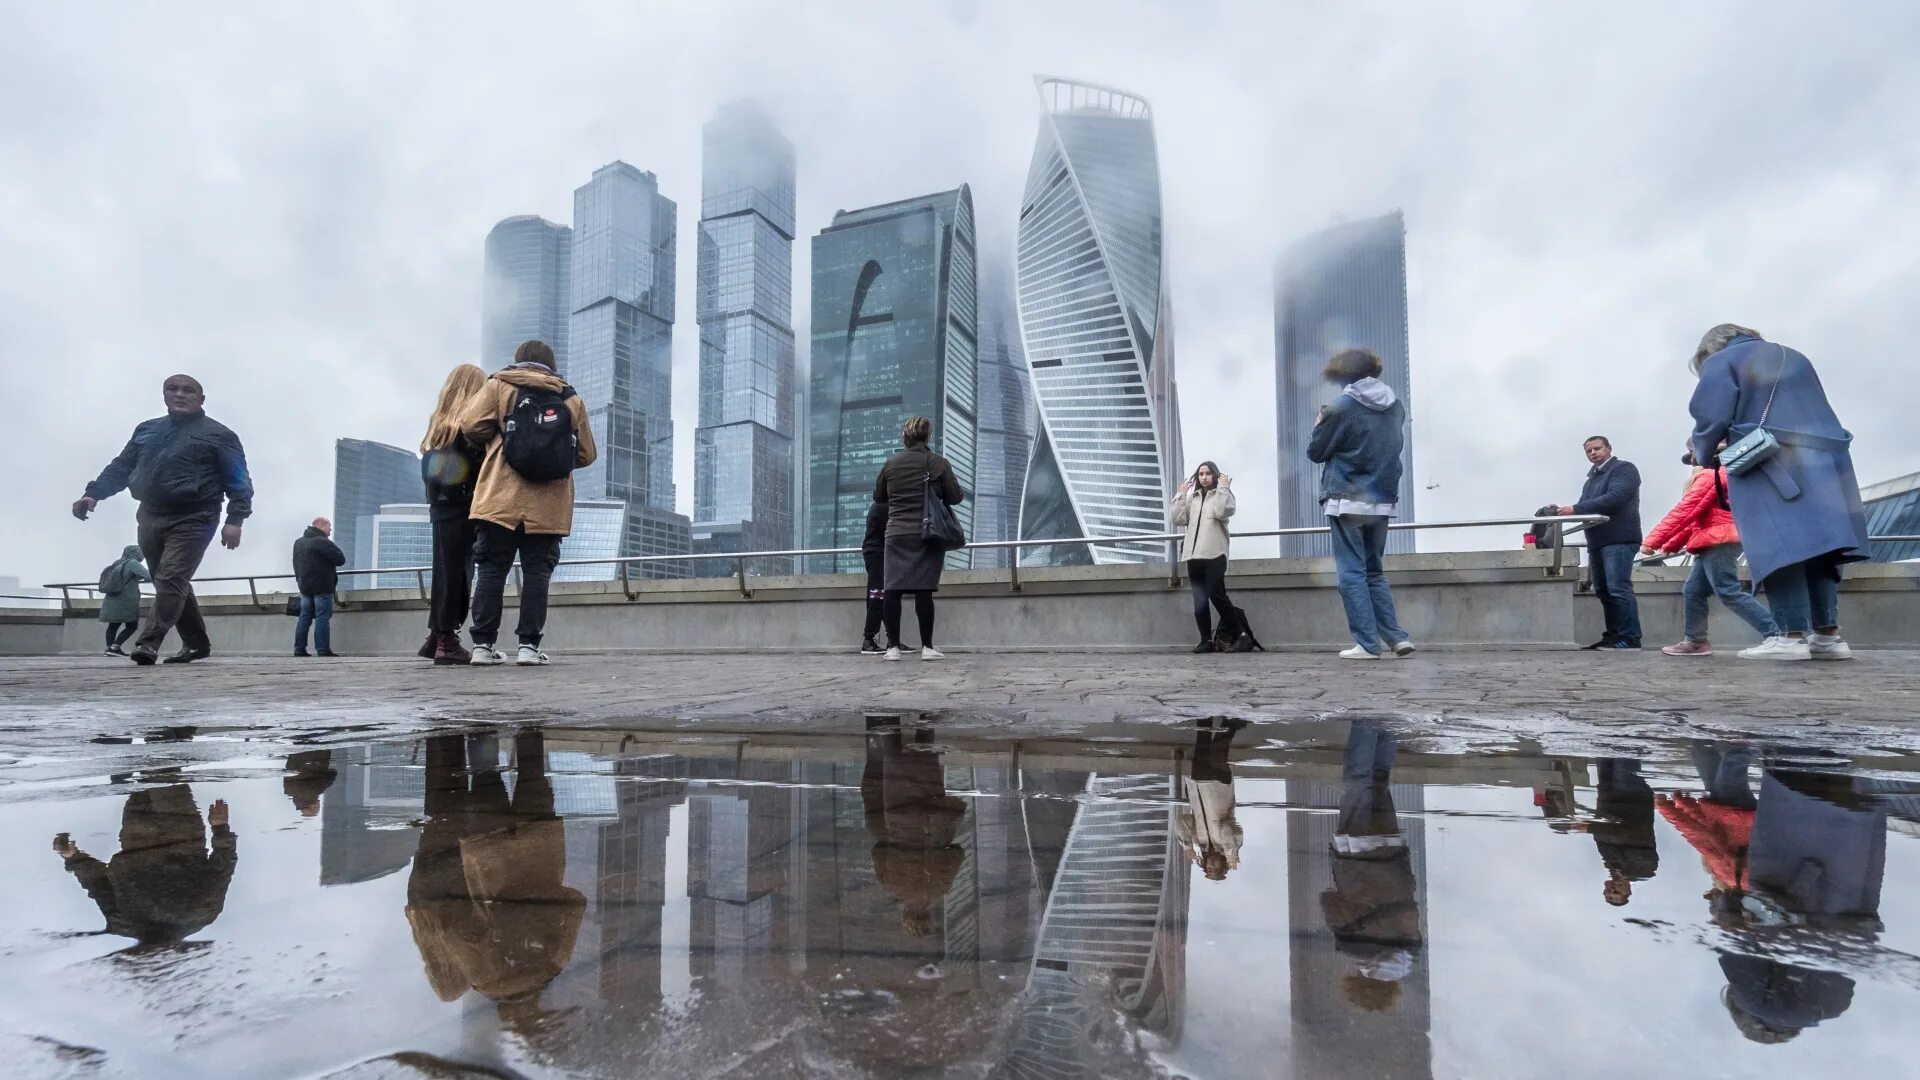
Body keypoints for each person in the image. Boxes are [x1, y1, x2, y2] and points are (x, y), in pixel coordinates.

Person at [1687, 324, 1871, 661]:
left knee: (1779, 545)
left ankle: (1790, 637)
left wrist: (1701, 451)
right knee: (1822, 547)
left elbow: (1710, 416)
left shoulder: (1722, 360)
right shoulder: (1795, 356)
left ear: (1710, 349)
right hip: (1826, 462)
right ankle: (1827, 636)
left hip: (1772, 461)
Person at [73, 374, 252, 665]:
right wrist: (93, 494)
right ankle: (196, 643)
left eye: (188, 390)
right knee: (168, 580)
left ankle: (147, 643)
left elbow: (239, 480)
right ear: (165, 395)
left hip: (196, 515)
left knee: (171, 577)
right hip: (151, 513)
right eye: (173, 389)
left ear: (201, 399)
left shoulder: (220, 435)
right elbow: (122, 466)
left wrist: (236, 519)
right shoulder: (147, 430)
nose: (180, 394)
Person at [456, 341, 597, 667]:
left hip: (499, 498)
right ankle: (528, 648)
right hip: (548, 505)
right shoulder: (570, 398)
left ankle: (482, 646)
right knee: (537, 576)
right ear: (552, 364)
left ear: (518, 360)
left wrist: (499, 435)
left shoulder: (499, 385)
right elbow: (587, 453)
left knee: (491, 571)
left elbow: (469, 424)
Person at [1307, 349, 1415, 659]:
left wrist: (1320, 422)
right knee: (1374, 571)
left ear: (1341, 375)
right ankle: (1397, 638)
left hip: (1346, 497)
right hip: (1381, 498)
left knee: (1351, 572)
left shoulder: (1341, 406)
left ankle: (1367, 644)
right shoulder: (1395, 406)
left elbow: (1316, 451)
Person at [52, 786, 237, 948]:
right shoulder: (200, 916)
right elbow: (222, 867)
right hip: (180, 831)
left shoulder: (125, 924)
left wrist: (74, 858)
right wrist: (220, 828)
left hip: (137, 834)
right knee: (162, 771)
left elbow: (100, 887)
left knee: (143, 771)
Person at [1642, 446, 1779, 655]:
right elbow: (1697, 519)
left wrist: (1653, 540)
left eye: (1692, 457)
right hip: (1712, 539)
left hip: (1719, 540)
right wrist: (1671, 545)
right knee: (1694, 590)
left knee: (1727, 590)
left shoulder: (1709, 476)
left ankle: (1776, 634)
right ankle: (1695, 641)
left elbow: (1685, 510)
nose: (1691, 463)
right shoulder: (1722, 475)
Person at [871, 415, 966, 662]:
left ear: (905, 437)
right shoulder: (938, 463)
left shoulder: (891, 464)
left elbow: (878, 496)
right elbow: (956, 497)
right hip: (927, 533)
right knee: (924, 591)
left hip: (896, 534)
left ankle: (892, 647)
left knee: (892, 589)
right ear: (928, 436)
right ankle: (927, 647)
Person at [419, 363, 490, 665]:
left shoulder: (440, 427)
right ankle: (446, 641)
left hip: (441, 508)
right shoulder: (470, 429)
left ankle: (437, 637)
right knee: (459, 575)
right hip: (463, 507)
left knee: (445, 574)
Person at [1556, 436, 1643, 650]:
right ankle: (1613, 636)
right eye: (1589, 451)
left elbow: (1617, 497)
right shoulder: (1591, 480)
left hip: (1620, 538)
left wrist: (1575, 509)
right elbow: (1585, 506)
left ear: (1608, 448)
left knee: (1618, 588)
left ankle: (1630, 638)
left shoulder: (1624, 469)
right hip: (1597, 540)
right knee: (1603, 590)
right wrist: (1563, 510)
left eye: (1597, 448)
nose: (1593, 453)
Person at [1172, 461, 1242, 653]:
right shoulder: (1192, 498)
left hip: (1214, 553)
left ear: (1215, 476)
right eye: (1201, 474)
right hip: (1194, 556)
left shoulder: (1222, 494)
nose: (1203, 477)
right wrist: (1180, 494)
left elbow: (1222, 511)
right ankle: (1205, 640)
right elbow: (1178, 519)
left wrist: (1223, 488)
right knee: (1199, 599)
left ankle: (1236, 629)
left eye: (1208, 474)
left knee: (1216, 594)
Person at [1175, 717, 1247, 880]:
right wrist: (1230, 852)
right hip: (1218, 788)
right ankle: (1230, 725)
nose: (1211, 867)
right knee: (1217, 754)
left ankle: (1205, 720)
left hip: (1199, 787)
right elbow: (1228, 829)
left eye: (1209, 870)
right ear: (1223, 866)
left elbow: (1182, 821)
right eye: (1216, 870)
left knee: (1201, 748)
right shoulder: (1228, 845)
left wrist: (1187, 846)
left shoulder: (1199, 841)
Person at [291, 516, 346, 657]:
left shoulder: (299, 542)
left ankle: (299, 649)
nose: (331, 529)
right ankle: (322, 649)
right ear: (322, 525)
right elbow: (340, 559)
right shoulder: (322, 542)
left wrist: (299, 581)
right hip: (322, 586)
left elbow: (295, 564)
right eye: (329, 526)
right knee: (322, 617)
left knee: (304, 617)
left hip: (304, 586)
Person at [96, 544, 149, 656]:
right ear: (137, 553)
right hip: (126, 600)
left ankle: (110, 648)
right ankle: (115, 647)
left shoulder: (117, 563)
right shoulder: (133, 563)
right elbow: (148, 576)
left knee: (113, 625)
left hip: (111, 599)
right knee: (132, 626)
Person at [859, 498, 893, 656]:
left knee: (883, 596)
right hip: (878, 554)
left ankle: (892, 639)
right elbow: (889, 532)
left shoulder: (880, 505)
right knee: (877, 595)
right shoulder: (883, 506)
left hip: (879, 554)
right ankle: (868, 640)